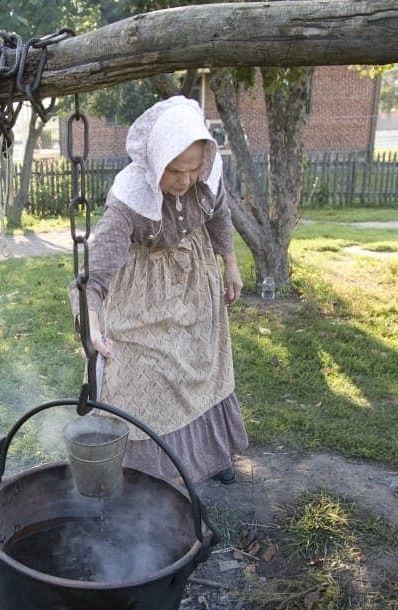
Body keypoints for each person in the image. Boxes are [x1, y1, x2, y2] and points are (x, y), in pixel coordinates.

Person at [73, 95, 248, 485]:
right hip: (144, 292)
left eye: (192, 170)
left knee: (202, 366)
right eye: (174, 171)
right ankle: (149, 475)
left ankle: (213, 454)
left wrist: (230, 262)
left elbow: (219, 213)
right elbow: (94, 276)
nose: (185, 181)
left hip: (195, 283)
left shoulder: (207, 172)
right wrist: (93, 322)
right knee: (143, 375)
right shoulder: (129, 199)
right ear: (154, 161)